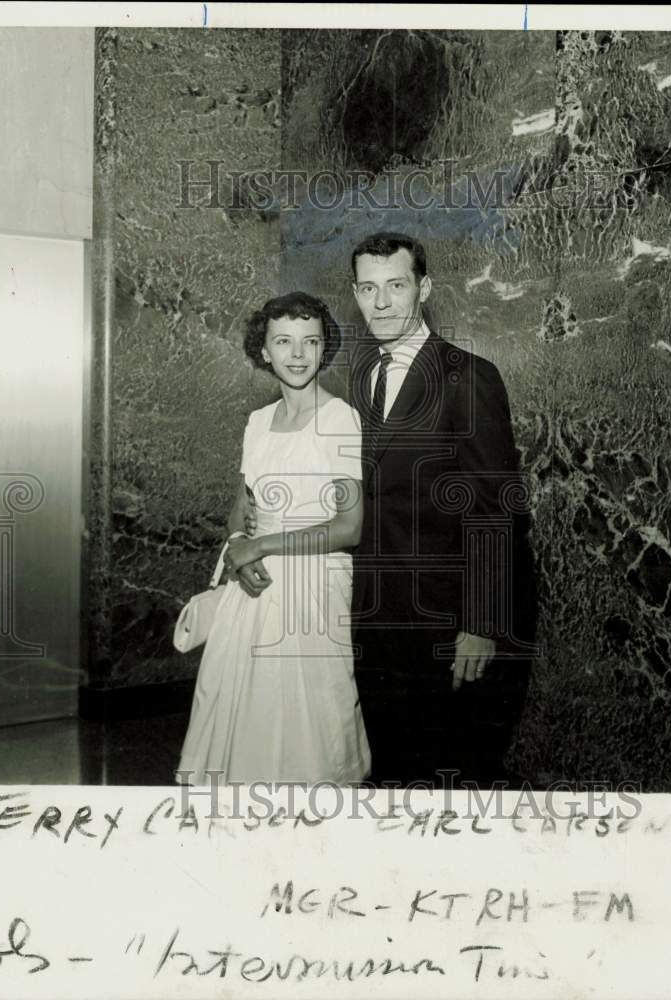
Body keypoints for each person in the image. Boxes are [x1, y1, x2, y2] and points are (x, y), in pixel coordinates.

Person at [348, 232, 536, 787]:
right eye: (367, 288)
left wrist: (481, 624)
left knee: (451, 777)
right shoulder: (362, 379)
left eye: (395, 286)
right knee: (392, 774)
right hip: (379, 620)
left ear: (423, 289)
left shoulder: (467, 376)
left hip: (449, 624)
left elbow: (498, 510)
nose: (380, 302)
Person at [176, 291, 371, 786]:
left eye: (310, 341)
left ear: (324, 348)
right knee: (244, 718)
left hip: (313, 588)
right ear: (264, 351)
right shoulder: (257, 423)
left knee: (310, 724)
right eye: (283, 341)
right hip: (254, 587)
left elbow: (350, 527)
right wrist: (242, 545)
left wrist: (260, 546)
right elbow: (241, 507)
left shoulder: (339, 419)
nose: (297, 353)